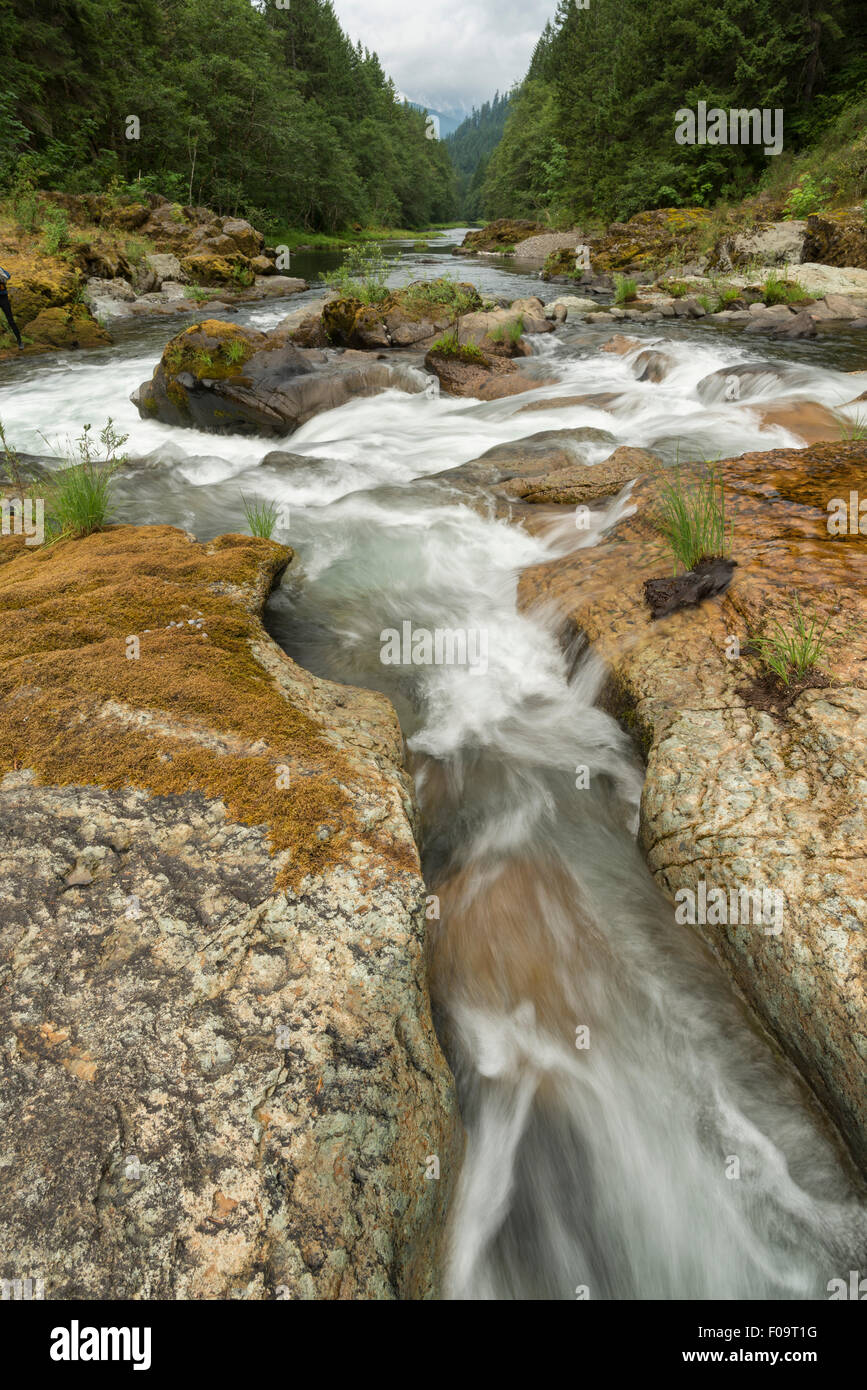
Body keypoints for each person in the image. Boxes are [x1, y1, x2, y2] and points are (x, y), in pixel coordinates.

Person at [0, 267, 23, 348]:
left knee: (11, 320)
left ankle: (19, 341)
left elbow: (8, 276)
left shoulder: (0, 269)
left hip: (3, 298)